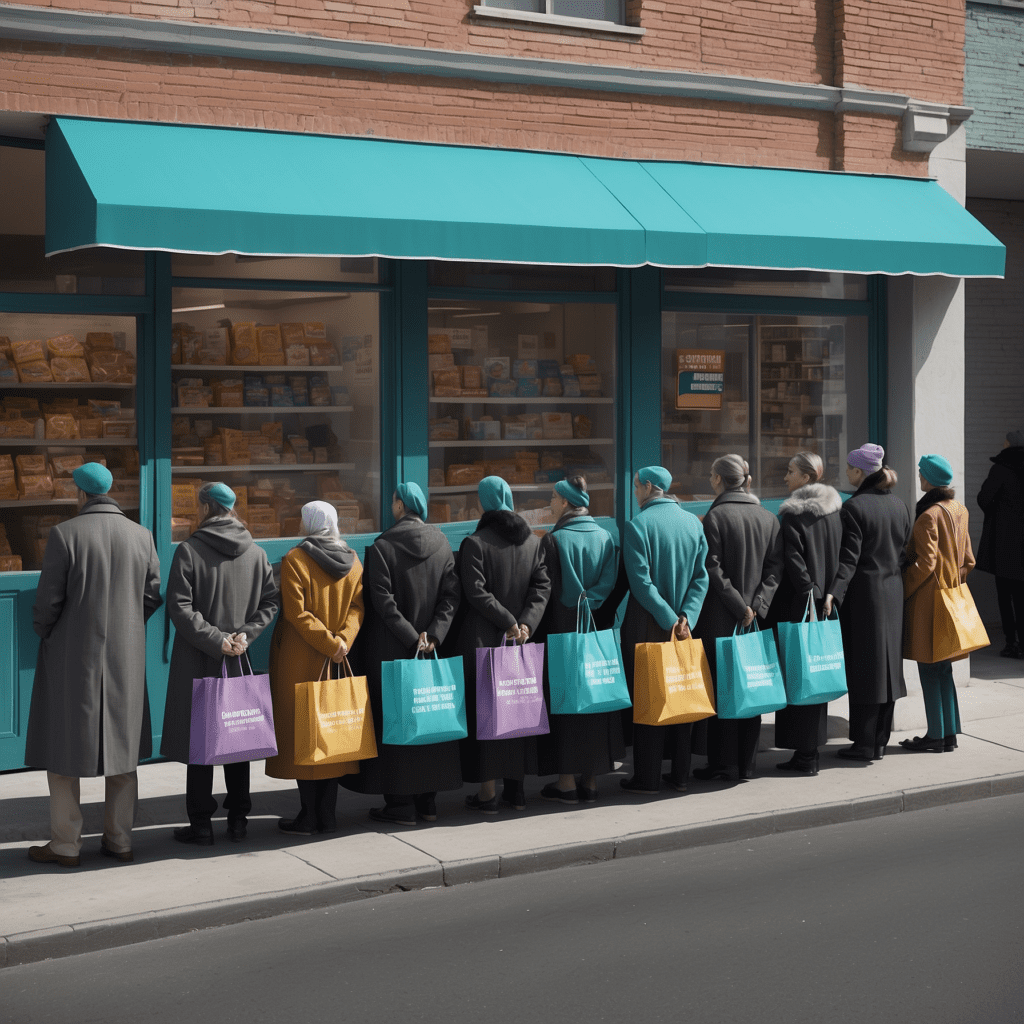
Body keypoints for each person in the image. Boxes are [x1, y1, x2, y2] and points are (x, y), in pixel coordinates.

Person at [25, 463, 162, 868]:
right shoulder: (141, 535)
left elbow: (49, 602)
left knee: (62, 745)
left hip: (73, 657)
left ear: (80, 495)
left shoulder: (65, 534)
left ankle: (66, 844)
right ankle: (119, 840)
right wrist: (127, 627)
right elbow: (152, 594)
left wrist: (46, 631)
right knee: (123, 748)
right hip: (127, 655)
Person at [162, 482, 279, 845]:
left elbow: (179, 607)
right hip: (238, 660)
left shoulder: (189, 550)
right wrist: (245, 634)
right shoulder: (256, 554)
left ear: (205, 507)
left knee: (201, 741)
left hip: (199, 659)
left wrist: (216, 640)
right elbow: (270, 603)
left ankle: (200, 825)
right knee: (237, 737)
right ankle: (239, 821)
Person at [342, 483, 462, 826]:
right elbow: (451, 597)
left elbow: (382, 601)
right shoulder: (442, 543)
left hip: (393, 649)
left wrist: (411, 639)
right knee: (432, 718)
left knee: (397, 721)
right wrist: (434, 636)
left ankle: (400, 805)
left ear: (398, 505)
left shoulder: (383, 546)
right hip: (433, 650)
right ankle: (428, 802)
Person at [267, 500, 364, 835]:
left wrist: (328, 642)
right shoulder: (353, 561)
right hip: (336, 658)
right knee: (331, 734)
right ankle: (328, 815)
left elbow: (296, 613)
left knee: (302, 740)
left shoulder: (296, 559)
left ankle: (308, 817)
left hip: (300, 659)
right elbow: (356, 608)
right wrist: (342, 642)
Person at [457, 476, 551, 813]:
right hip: (522, 640)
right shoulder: (533, 542)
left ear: (483, 503)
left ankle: (487, 793)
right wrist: (525, 623)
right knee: (519, 709)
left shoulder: (474, 543)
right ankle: (517, 790)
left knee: (489, 712)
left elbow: (476, 592)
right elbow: (542, 587)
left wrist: (508, 622)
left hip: (485, 638)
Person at [691, 455, 783, 781]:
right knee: (753, 688)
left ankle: (722, 764)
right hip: (755, 619)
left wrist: (737, 605)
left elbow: (712, 568)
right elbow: (775, 570)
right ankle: (747, 765)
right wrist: (757, 605)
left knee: (723, 690)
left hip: (722, 618)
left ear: (718, 479)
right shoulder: (768, 518)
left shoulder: (715, 517)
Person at [619, 466, 709, 795]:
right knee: (681, 694)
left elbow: (641, 584)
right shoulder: (691, 523)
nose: (634, 491)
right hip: (684, 627)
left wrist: (668, 617)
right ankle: (681, 774)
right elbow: (702, 577)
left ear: (649, 487)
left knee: (649, 698)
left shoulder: (637, 526)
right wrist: (686, 617)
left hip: (648, 624)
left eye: (636, 485)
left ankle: (647, 777)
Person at [534, 476, 622, 804]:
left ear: (567, 503)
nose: (551, 504)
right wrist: (592, 599)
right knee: (597, 698)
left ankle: (566, 782)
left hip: (562, 631)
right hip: (597, 632)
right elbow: (611, 584)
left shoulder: (552, 541)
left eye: (554, 499)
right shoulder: (606, 537)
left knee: (566, 702)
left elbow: (547, 591)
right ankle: (592, 780)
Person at [824, 444, 911, 762]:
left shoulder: (854, 508)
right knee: (888, 669)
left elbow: (848, 560)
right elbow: (904, 554)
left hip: (864, 597)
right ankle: (879, 742)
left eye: (849, 468)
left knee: (865, 669)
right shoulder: (900, 505)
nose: (846, 473)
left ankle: (862, 743)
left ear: (860, 472)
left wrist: (834, 592)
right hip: (893, 594)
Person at [768, 451, 843, 776]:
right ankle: (809, 750)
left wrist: (808, 592)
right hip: (825, 603)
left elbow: (794, 563)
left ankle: (805, 754)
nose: (786, 477)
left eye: (790, 471)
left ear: (807, 477)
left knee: (800, 677)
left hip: (801, 606)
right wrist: (828, 593)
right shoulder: (834, 513)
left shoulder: (794, 516)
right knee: (817, 675)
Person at [901, 455, 976, 753]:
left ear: (929, 479)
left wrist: (903, 587)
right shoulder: (959, 509)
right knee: (943, 670)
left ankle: (935, 735)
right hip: (952, 598)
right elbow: (968, 559)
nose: (919, 477)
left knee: (929, 669)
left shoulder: (929, 515)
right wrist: (953, 582)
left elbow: (925, 563)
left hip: (928, 603)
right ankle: (949, 733)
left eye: (921, 473)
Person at [975, 429, 1024, 659]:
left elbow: (984, 498)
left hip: (1005, 545)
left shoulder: (1001, 469)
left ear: (1008, 444)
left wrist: (1000, 514)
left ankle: (1012, 643)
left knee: (1006, 595)